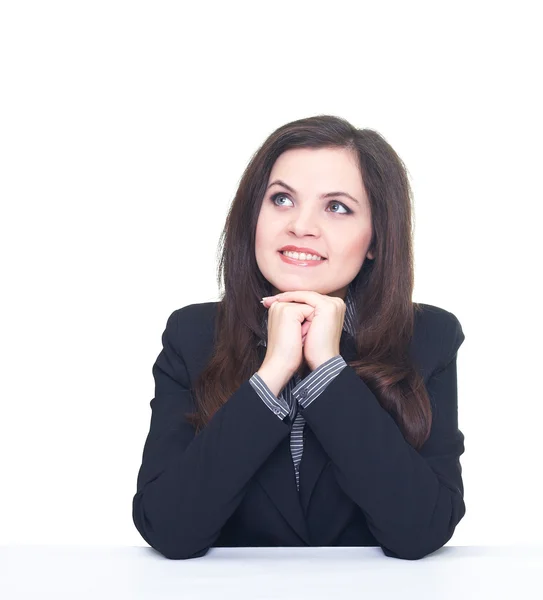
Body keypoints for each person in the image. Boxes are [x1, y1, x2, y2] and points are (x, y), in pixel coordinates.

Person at [132, 115, 466, 561]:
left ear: (376, 240)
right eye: (282, 199)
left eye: (337, 207)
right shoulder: (192, 336)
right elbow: (169, 528)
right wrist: (273, 373)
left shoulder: (427, 338)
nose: (301, 225)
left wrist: (328, 371)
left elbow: (420, 531)